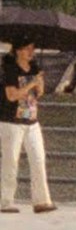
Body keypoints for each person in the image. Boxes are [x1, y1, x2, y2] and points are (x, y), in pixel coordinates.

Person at [0, 36, 55, 212]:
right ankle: (5, 201)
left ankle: (41, 200)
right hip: (11, 121)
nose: (31, 52)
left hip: (31, 120)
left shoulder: (34, 67)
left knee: (38, 158)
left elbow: (40, 92)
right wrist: (31, 83)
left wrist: (39, 84)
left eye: (33, 48)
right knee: (11, 161)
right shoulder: (10, 69)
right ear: (18, 51)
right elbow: (12, 95)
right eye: (28, 49)